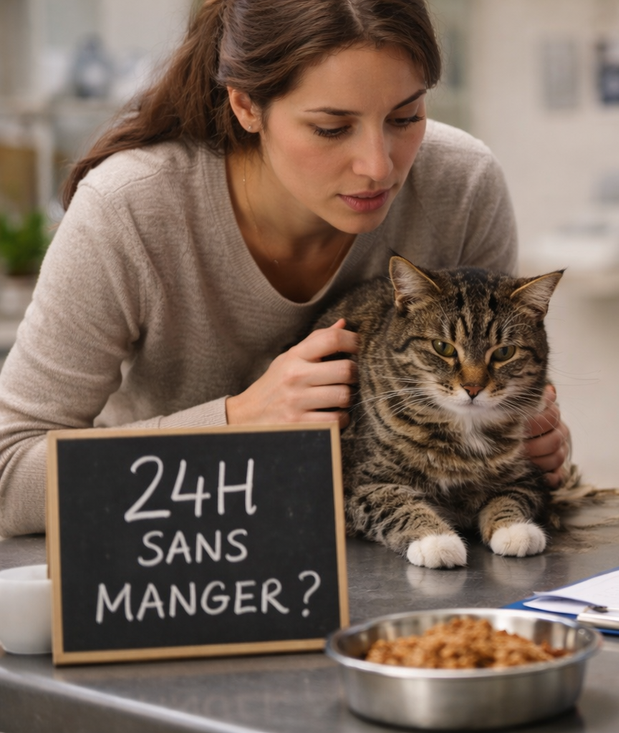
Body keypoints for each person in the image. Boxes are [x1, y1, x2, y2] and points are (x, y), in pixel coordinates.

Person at [0, 0, 571, 538]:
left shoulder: (461, 184)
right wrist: (237, 421)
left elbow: (493, 394)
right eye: (330, 127)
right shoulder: (131, 209)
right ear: (246, 104)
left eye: (406, 116)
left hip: (382, 566)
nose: (379, 166)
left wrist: (528, 438)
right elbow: (8, 476)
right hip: (174, 561)